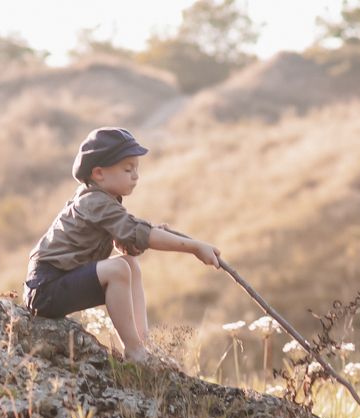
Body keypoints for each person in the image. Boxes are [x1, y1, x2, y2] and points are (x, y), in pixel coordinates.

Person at [24, 127, 221, 363]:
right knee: (117, 270)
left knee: (129, 264)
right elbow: (140, 234)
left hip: (64, 281)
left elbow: (127, 242)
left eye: (136, 169)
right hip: (46, 288)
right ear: (99, 173)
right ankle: (134, 349)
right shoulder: (95, 202)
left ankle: (144, 343)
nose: (135, 175)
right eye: (128, 169)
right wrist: (194, 246)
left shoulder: (105, 202)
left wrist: (145, 236)